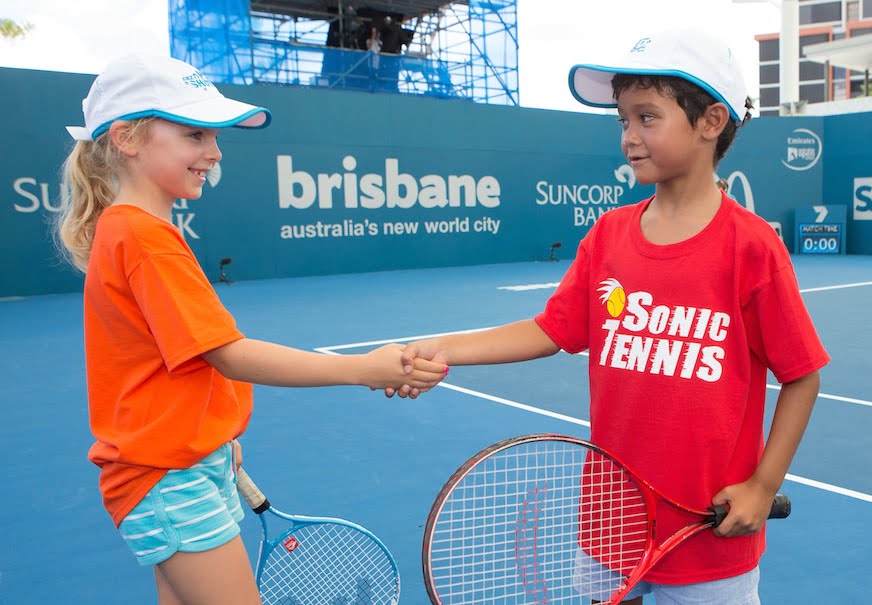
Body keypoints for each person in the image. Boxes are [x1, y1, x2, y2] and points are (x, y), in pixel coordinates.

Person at [390, 29, 828, 605]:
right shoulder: (608, 236)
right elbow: (551, 329)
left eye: (647, 118)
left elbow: (802, 374)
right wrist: (444, 347)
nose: (629, 137)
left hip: (710, 540)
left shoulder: (750, 247)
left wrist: (762, 486)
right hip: (607, 527)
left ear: (711, 121)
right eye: (622, 120)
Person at [56, 54, 448, 605]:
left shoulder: (131, 231)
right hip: (167, 477)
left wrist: (217, 437)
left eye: (214, 136)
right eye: (194, 134)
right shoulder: (142, 237)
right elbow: (227, 354)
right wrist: (362, 368)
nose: (214, 153)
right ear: (126, 137)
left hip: (181, 465)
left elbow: (171, 363)